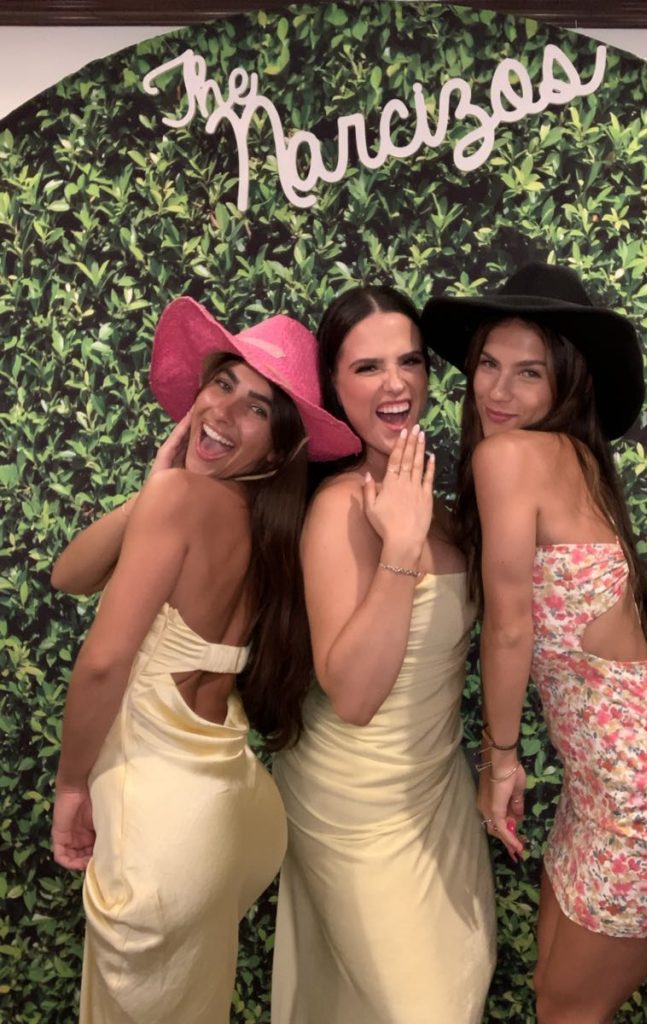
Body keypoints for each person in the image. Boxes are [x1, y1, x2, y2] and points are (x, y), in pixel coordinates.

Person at [421, 262, 647, 1023]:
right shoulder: (578, 459)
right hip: (608, 790)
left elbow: (512, 625)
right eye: (488, 364)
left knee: (565, 1009)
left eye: (529, 372)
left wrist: (500, 761)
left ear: (568, 382)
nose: (498, 391)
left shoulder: (507, 457)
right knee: (554, 997)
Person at [50, 297, 360, 1024]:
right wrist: (156, 486)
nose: (225, 411)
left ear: (281, 447)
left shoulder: (186, 504)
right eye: (224, 383)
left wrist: (70, 788)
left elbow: (102, 665)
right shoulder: (262, 527)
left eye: (259, 408)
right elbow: (71, 574)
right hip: (225, 818)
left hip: (160, 828)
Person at [270, 285, 496, 1024]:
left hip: (436, 793)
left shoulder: (449, 508)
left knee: (459, 984)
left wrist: (502, 757)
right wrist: (400, 547)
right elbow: (357, 697)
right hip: (354, 807)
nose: (396, 383)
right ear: (333, 388)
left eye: (410, 361)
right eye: (367, 368)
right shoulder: (339, 508)